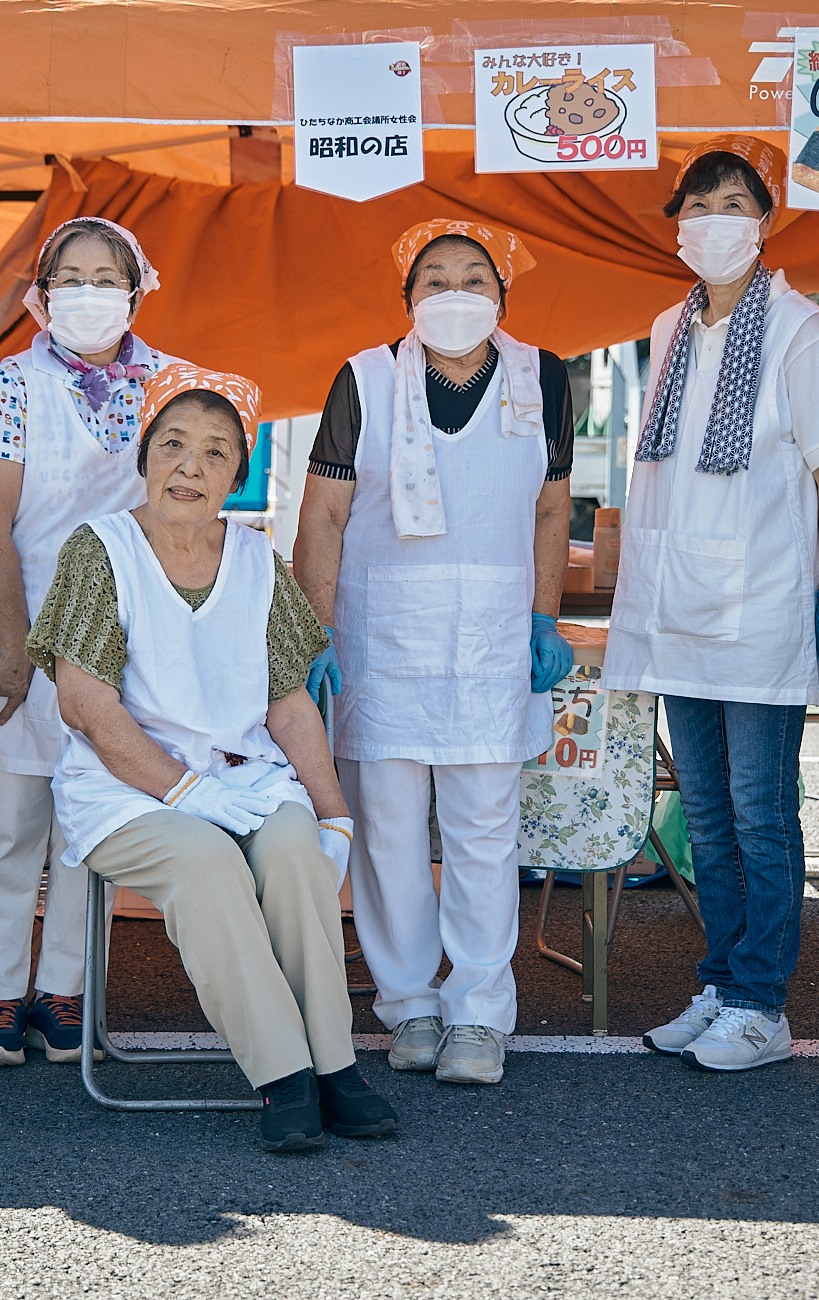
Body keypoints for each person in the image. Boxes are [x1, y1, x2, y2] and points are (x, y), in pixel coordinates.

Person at [31, 362, 398, 1151]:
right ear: (145, 457)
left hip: (245, 777)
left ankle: (336, 1067)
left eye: (215, 452)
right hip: (125, 792)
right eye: (172, 445)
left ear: (238, 471)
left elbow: (289, 701)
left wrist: (333, 811)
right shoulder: (100, 550)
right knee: (206, 861)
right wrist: (186, 789)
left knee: (299, 852)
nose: (190, 467)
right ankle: (286, 1076)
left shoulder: (257, 558)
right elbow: (86, 705)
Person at [292, 219, 573, 1087]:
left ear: (503, 292)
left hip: (494, 638)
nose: (455, 293)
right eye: (434, 279)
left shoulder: (543, 376)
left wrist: (545, 618)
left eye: (474, 277)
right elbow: (324, 518)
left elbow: (553, 510)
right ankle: (408, 1002)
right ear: (407, 298)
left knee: (486, 830)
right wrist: (316, 630)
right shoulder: (364, 379)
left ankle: (481, 1011)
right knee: (387, 832)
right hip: (382, 638)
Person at [606, 137, 819, 1073]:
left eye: (732, 203)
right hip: (678, 604)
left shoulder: (800, 328)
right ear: (678, 223)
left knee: (760, 808)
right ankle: (719, 978)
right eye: (698, 203)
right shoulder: (671, 329)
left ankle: (763, 999)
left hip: (759, 603)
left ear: (766, 221)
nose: (713, 220)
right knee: (704, 811)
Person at [0, 217, 176, 1067]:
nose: (90, 293)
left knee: (93, 827)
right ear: (42, 297)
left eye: (107, 276)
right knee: (5, 825)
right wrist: (13, 643)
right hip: (22, 627)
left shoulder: (166, 384)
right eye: (71, 278)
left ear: (136, 288)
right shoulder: (11, 383)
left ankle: (64, 990)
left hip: (123, 644)